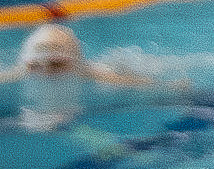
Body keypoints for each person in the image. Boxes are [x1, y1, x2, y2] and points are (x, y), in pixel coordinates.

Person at [6, 25, 178, 132]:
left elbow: (137, 84)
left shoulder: (91, 74)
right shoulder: (20, 72)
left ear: (75, 63)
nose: (46, 72)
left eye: (56, 65)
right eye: (35, 66)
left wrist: (169, 86)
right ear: (25, 64)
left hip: (115, 67)